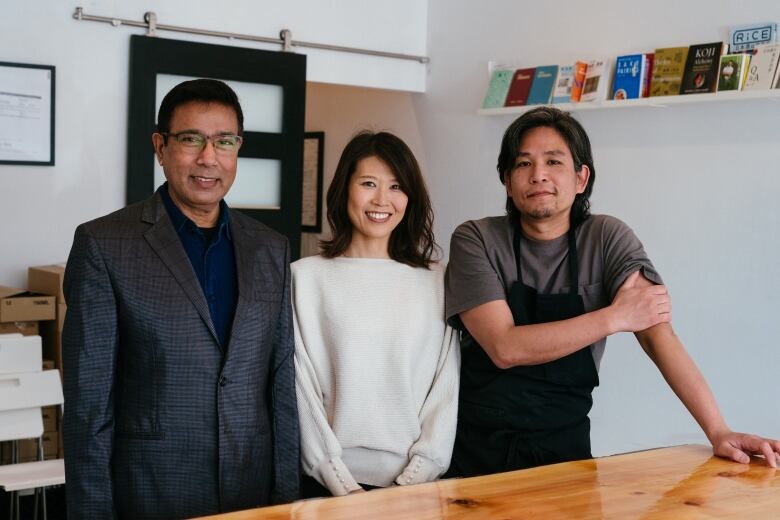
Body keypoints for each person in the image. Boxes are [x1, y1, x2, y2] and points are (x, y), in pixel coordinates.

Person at [445, 106, 780, 477]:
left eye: (554, 162)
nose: (538, 175)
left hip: (566, 450)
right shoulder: (475, 238)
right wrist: (615, 317)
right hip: (474, 449)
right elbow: (504, 348)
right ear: (507, 181)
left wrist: (718, 430)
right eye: (523, 164)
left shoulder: (607, 237)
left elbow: (658, 335)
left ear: (581, 177)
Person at [62, 79, 299, 519]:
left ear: (237, 149)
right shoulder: (105, 244)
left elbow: (281, 385)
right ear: (160, 146)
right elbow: (87, 405)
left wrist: (287, 501)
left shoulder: (271, 248)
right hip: (150, 492)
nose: (208, 158)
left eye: (224, 142)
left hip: (252, 491)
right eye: (191, 139)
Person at [292, 131, 460, 497]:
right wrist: (342, 486)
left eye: (397, 186)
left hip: (416, 490)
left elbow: (445, 391)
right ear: (344, 190)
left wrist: (410, 483)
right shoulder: (304, 278)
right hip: (326, 488)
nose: (382, 200)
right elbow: (300, 388)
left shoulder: (438, 280)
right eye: (368, 183)